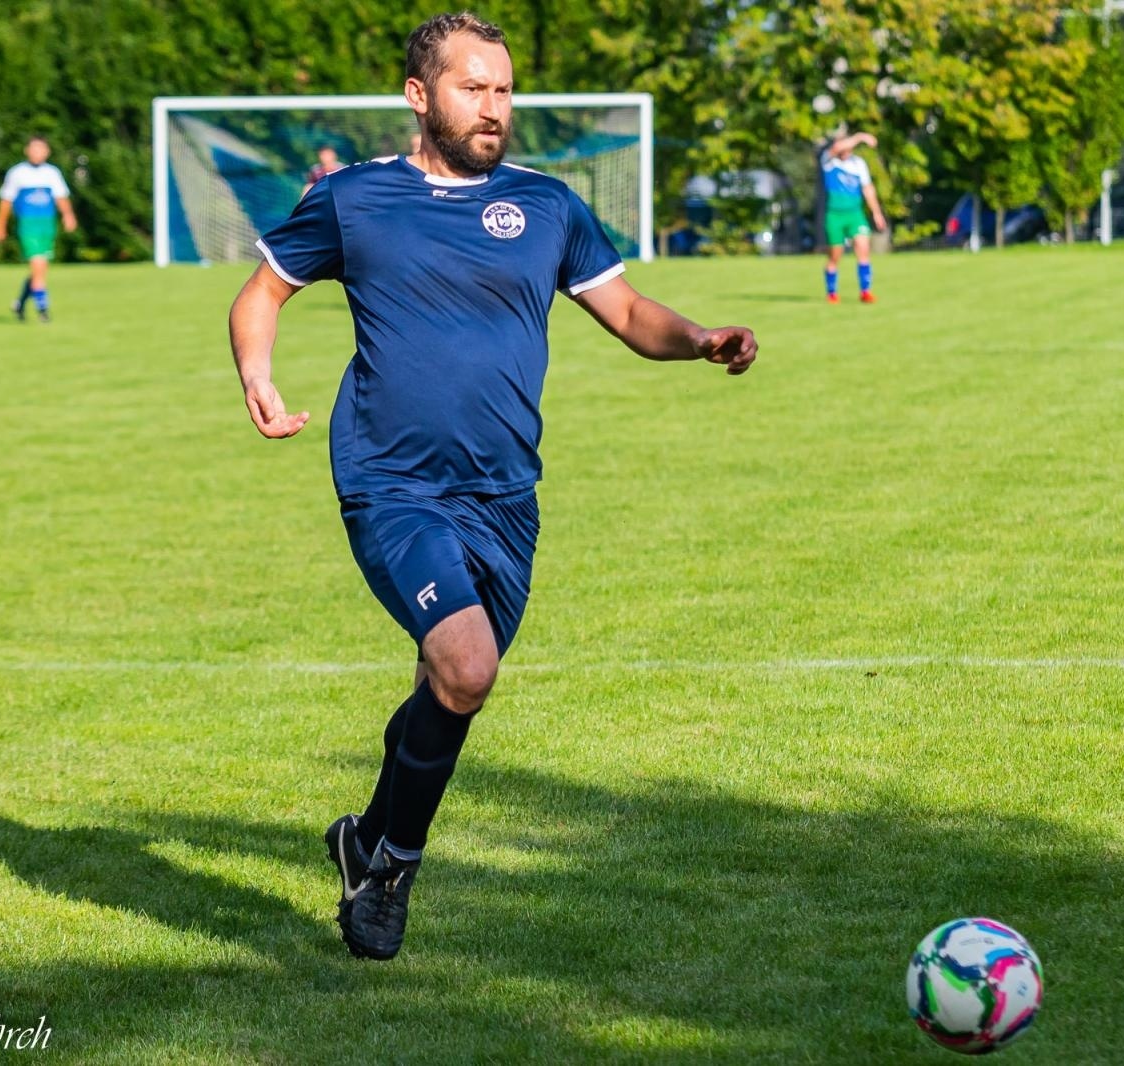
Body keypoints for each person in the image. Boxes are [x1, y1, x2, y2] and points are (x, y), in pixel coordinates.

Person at [227, 12, 757, 962]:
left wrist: (701, 337)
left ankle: (362, 841)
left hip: (506, 496)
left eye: (504, 90)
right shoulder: (353, 201)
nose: (494, 109)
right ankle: (393, 870)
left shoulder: (548, 206)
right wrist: (258, 378)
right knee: (467, 667)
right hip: (393, 484)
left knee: (451, 688)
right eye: (473, 89)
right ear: (419, 96)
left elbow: (630, 312)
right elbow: (263, 291)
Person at [0, 136, 77, 322]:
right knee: (38, 265)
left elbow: (61, 197)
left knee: (39, 271)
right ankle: (43, 311)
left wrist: (68, 215)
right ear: (27, 150)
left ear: (47, 152)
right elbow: (6, 201)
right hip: (28, 225)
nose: (37, 152)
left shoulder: (52, 173)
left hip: (47, 225)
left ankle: (20, 304)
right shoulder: (17, 173)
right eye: (34, 148)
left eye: (41, 149)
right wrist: (0, 225)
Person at [819, 131, 886, 304]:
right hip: (835, 215)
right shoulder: (828, 161)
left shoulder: (858, 164)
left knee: (863, 249)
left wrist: (876, 213)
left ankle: (865, 291)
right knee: (835, 255)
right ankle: (832, 292)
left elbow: (868, 189)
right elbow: (836, 147)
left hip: (855, 214)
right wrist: (861, 137)